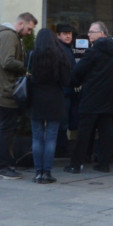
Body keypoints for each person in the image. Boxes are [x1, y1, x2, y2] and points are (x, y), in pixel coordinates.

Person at [0, 12, 38, 179]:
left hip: (1, 88)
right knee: (7, 129)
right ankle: (1, 166)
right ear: (21, 24)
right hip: (4, 90)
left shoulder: (5, 35)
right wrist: (28, 69)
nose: (29, 33)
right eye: (29, 29)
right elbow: (8, 61)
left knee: (5, 127)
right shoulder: (9, 36)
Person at [65, 22, 113, 174]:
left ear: (102, 33)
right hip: (109, 96)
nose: (88, 34)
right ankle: (104, 164)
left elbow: (79, 70)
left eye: (92, 32)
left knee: (84, 132)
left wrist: (76, 81)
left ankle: (76, 164)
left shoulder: (94, 50)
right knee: (105, 132)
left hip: (91, 96)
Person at [27, 28, 71, 184]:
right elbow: (66, 81)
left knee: (37, 137)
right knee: (51, 138)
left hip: (36, 99)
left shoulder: (32, 55)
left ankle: (38, 172)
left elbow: (28, 77)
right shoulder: (60, 56)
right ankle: (47, 172)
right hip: (55, 99)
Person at [55, 24, 77, 157]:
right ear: (58, 35)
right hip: (64, 92)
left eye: (70, 33)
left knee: (63, 122)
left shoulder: (66, 48)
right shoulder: (61, 49)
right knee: (62, 123)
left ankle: (61, 149)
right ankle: (61, 150)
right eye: (64, 33)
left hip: (65, 91)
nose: (68, 36)